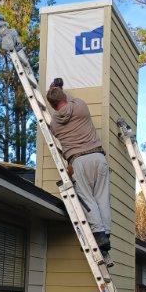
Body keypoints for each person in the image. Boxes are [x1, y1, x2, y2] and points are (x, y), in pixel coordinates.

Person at [46, 78, 112, 262]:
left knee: (87, 199)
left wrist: (53, 92)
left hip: (78, 162)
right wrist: (58, 87)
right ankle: (105, 235)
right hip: (98, 158)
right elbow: (70, 99)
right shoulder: (81, 107)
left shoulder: (54, 125)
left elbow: (59, 109)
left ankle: (99, 234)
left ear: (51, 105)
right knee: (102, 199)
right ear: (64, 95)